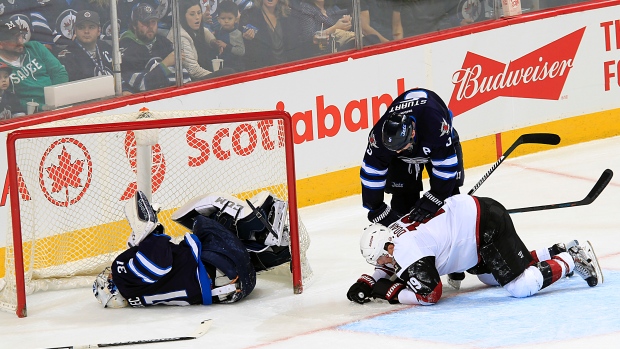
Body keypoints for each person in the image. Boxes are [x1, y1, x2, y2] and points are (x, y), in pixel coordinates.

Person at [347, 194, 604, 305]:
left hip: (485, 228)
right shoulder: (394, 232)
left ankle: (572, 258)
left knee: (520, 287)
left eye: (381, 258)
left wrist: (389, 292)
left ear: (389, 246)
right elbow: (388, 264)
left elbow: (430, 295)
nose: (382, 264)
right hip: (476, 226)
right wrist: (368, 280)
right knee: (491, 277)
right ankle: (556, 250)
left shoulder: (405, 252)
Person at [93, 190, 257, 308]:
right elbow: (158, 265)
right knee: (202, 220)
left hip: (231, 288)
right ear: (111, 287)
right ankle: (272, 241)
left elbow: (160, 264)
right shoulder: (123, 275)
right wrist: (151, 234)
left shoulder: (137, 296)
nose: (109, 274)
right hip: (221, 264)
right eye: (107, 278)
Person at [361, 88, 464, 226]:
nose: (397, 152)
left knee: (450, 199)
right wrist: (376, 207)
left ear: (413, 133)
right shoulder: (379, 135)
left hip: (438, 142)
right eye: (393, 150)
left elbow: (446, 164)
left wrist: (437, 196)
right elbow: (371, 169)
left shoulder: (435, 126)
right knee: (402, 201)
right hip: (408, 151)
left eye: (400, 148)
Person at [0, 18, 68, 112]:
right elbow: (9, 100)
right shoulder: (1, 67)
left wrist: (55, 102)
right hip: (27, 115)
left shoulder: (35, 47)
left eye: (20, 36)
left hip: (57, 105)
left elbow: (59, 73)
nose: (20, 41)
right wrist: (40, 107)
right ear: (1, 44)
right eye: (14, 39)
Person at [120, 2, 190, 93]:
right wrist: (165, 64)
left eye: (153, 22)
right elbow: (142, 84)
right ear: (134, 25)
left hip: (173, 96)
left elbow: (184, 76)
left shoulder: (163, 42)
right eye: (145, 22)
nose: (150, 26)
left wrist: (155, 74)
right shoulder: (126, 48)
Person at [166, 0, 235, 81]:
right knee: (228, 72)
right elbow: (193, 70)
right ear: (182, 16)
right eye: (192, 14)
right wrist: (216, 76)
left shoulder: (191, 27)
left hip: (201, 73)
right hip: (190, 81)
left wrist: (213, 42)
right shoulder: (180, 36)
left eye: (199, 13)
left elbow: (204, 31)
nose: (197, 17)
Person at [239, 0, 303, 70]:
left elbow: (295, 44)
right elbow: (242, 46)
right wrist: (246, 39)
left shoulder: (288, 15)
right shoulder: (249, 15)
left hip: (287, 67)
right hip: (262, 69)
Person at [56, 10, 114, 81]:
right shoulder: (67, 55)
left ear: (99, 31)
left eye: (91, 27)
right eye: (81, 27)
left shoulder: (106, 47)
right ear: (75, 31)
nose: (86, 31)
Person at [213, 0, 245, 72]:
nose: (226, 21)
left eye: (230, 18)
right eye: (223, 18)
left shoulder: (237, 34)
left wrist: (226, 46)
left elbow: (241, 51)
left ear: (236, 19)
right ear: (218, 19)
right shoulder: (218, 31)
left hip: (235, 67)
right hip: (222, 65)